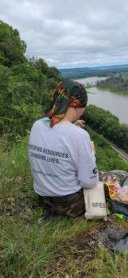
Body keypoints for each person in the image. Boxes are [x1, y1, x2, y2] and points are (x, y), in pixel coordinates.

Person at [28, 79, 99, 218]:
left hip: (42, 197)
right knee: (114, 177)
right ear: (78, 106)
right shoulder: (80, 136)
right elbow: (90, 181)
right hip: (69, 204)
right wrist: (92, 153)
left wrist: (72, 125)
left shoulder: (37, 125)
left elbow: (56, 133)